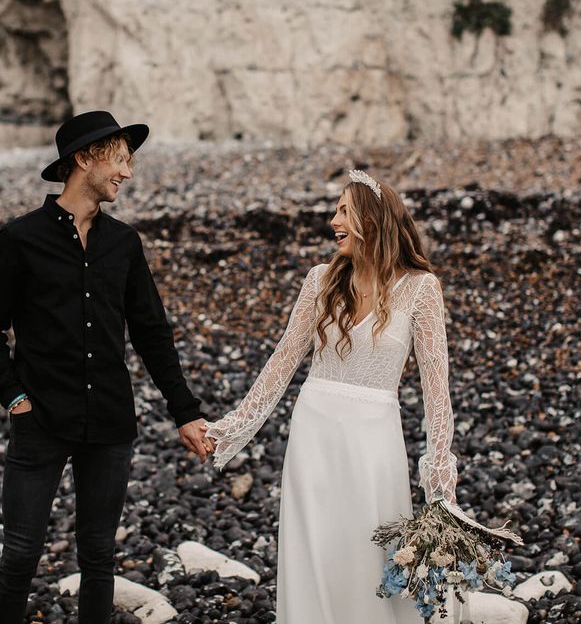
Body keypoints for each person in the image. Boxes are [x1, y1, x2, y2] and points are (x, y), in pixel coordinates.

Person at [205, 169, 458, 624]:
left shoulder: (421, 289)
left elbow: (436, 390)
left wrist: (439, 468)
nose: (333, 220)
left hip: (375, 439)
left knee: (371, 549)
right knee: (314, 548)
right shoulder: (320, 279)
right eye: (336, 210)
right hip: (314, 432)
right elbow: (282, 363)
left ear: (373, 218)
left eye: (344, 210)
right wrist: (230, 427)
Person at [0, 111, 212, 624]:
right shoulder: (19, 239)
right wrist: (15, 399)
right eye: (119, 159)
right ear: (84, 159)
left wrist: (185, 411)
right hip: (40, 421)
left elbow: (151, 333)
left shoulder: (124, 243)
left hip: (112, 423)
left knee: (98, 557)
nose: (127, 172)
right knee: (20, 555)